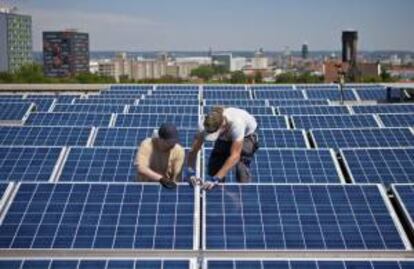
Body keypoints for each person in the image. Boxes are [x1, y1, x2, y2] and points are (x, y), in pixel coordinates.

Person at [185, 106, 259, 191]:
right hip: (225, 136)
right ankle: (220, 193)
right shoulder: (204, 125)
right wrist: (190, 172)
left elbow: (235, 156)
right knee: (214, 167)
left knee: (240, 167)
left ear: (223, 126)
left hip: (246, 136)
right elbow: (193, 150)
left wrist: (216, 179)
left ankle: (244, 191)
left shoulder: (237, 124)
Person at [135, 123, 185, 189]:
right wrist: (161, 179)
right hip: (144, 186)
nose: (173, 145)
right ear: (160, 139)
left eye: (175, 142)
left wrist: (171, 185)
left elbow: (176, 176)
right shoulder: (147, 144)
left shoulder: (179, 151)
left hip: (165, 187)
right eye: (169, 142)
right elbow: (141, 168)